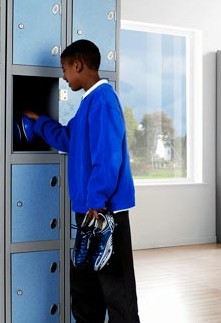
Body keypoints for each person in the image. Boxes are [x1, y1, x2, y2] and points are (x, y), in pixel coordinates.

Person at [24, 39, 140, 322]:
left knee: (115, 286)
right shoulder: (88, 103)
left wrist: (97, 202)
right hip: (89, 209)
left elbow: (108, 157)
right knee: (86, 286)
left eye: (64, 69)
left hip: (102, 211)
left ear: (78, 65)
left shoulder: (103, 101)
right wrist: (40, 122)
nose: (63, 76)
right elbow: (68, 138)